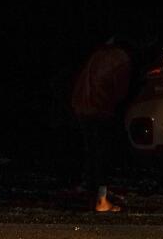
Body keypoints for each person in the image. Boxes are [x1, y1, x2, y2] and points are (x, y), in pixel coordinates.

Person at [70, 36, 134, 213]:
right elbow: (121, 89)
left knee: (92, 151)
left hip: (82, 104)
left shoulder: (98, 54)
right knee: (102, 153)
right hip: (100, 107)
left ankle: (93, 193)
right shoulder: (120, 58)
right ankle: (101, 199)